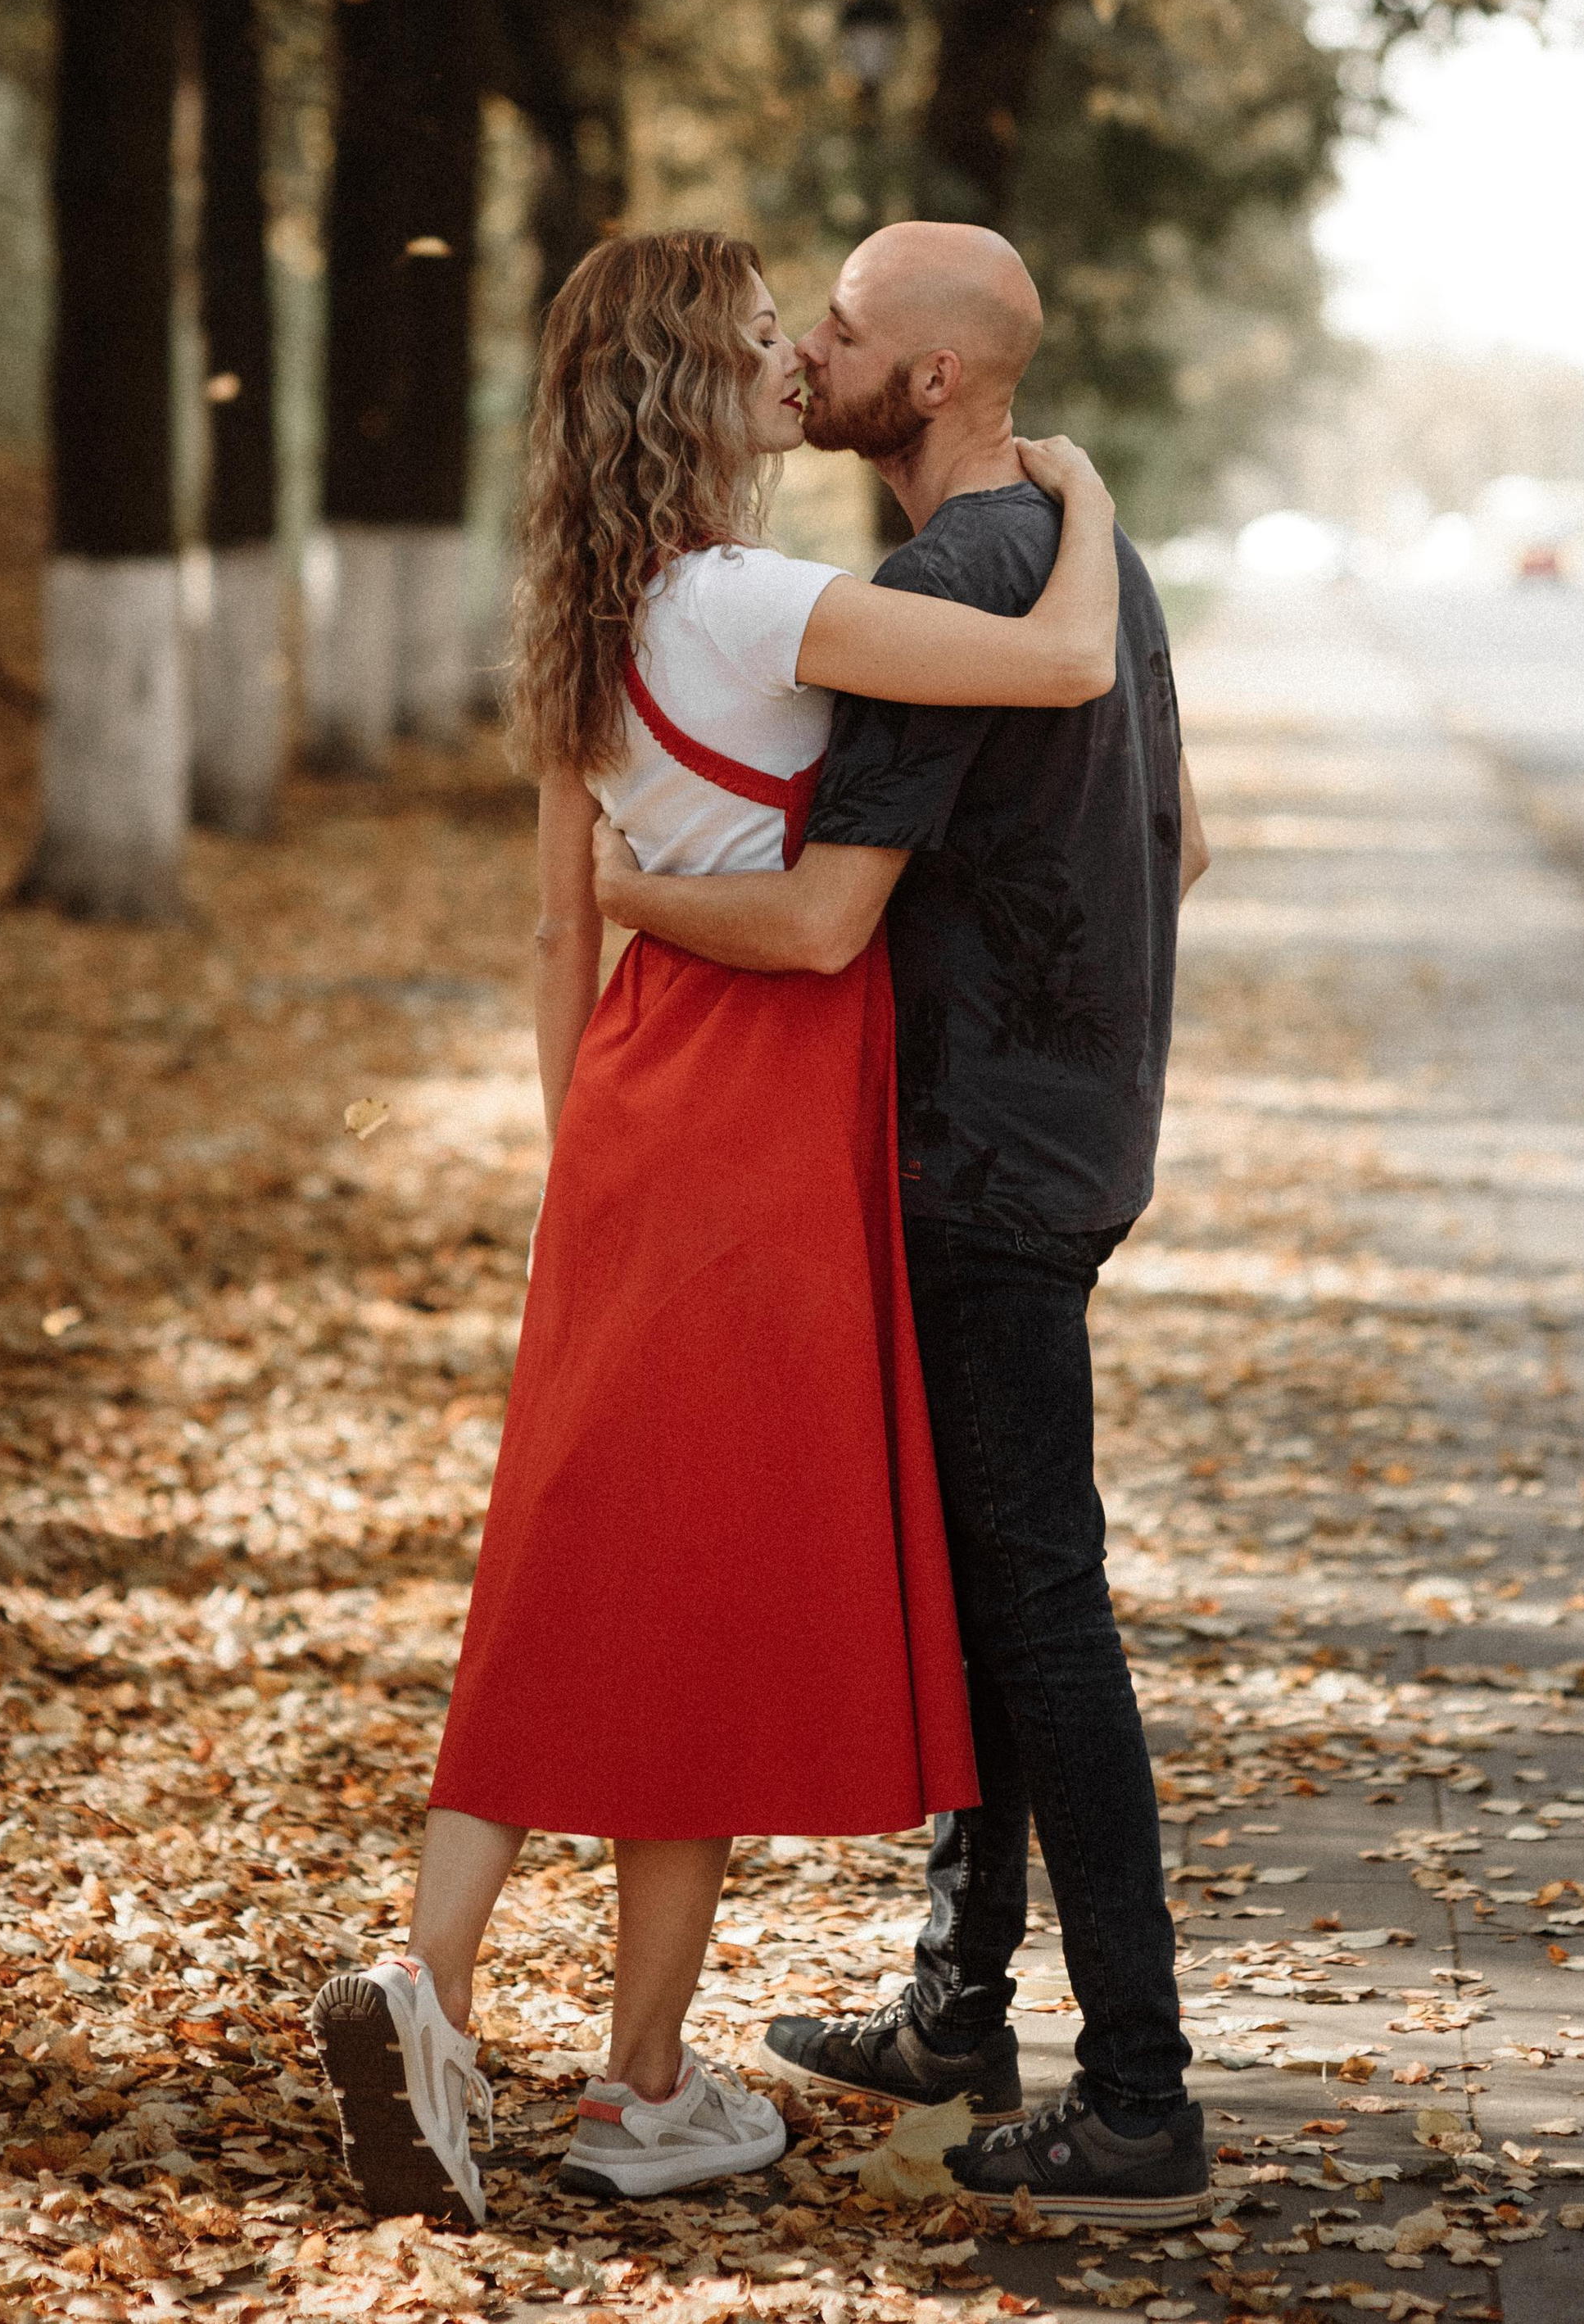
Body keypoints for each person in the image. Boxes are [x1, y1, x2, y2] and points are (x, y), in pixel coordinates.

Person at [310, 228, 1125, 2226]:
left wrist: (572, 1151)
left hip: (624, 1104)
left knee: (582, 1556)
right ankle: (615, 2077)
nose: (794, 364)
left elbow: (550, 921)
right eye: (767, 340)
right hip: (768, 1105)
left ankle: (489, 2008)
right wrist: (1083, 501)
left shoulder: (585, 615)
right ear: (694, 388)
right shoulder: (765, 605)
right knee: (694, 1582)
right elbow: (1064, 662)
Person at [591, 219, 1214, 2229]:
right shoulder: (1076, 549)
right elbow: (1176, 842)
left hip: (961, 1158)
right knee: (990, 1583)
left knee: (1038, 1608)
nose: (810, 357)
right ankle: (956, 2004)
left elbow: (818, 916)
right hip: (1071, 1127)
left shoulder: (941, 579)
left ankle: (1139, 2102)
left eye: (840, 331)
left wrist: (614, 893)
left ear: (924, 380)